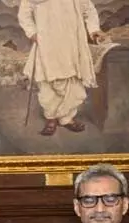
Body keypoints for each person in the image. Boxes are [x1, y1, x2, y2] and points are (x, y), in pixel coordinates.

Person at [19, 0, 107, 135]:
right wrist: (32, 33)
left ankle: (67, 119)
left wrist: (94, 29)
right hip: (47, 42)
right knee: (48, 81)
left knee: (73, 81)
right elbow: (24, 14)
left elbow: (89, 10)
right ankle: (51, 118)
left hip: (72, 42)